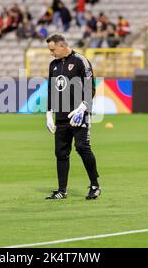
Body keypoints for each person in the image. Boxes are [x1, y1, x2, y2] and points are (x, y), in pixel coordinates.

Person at [45, 33, 101, 200]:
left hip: (79, 114)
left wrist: (83, 107)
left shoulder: (80, 61)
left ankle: (95, 185)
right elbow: (51, 91)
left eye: (53, 49)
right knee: (61, 153)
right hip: (61, 115)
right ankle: (62, 190)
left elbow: (90, 86)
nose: (51, 53)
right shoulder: (53, 65)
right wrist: (48, 114)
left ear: (62, 46)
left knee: (82, 147)